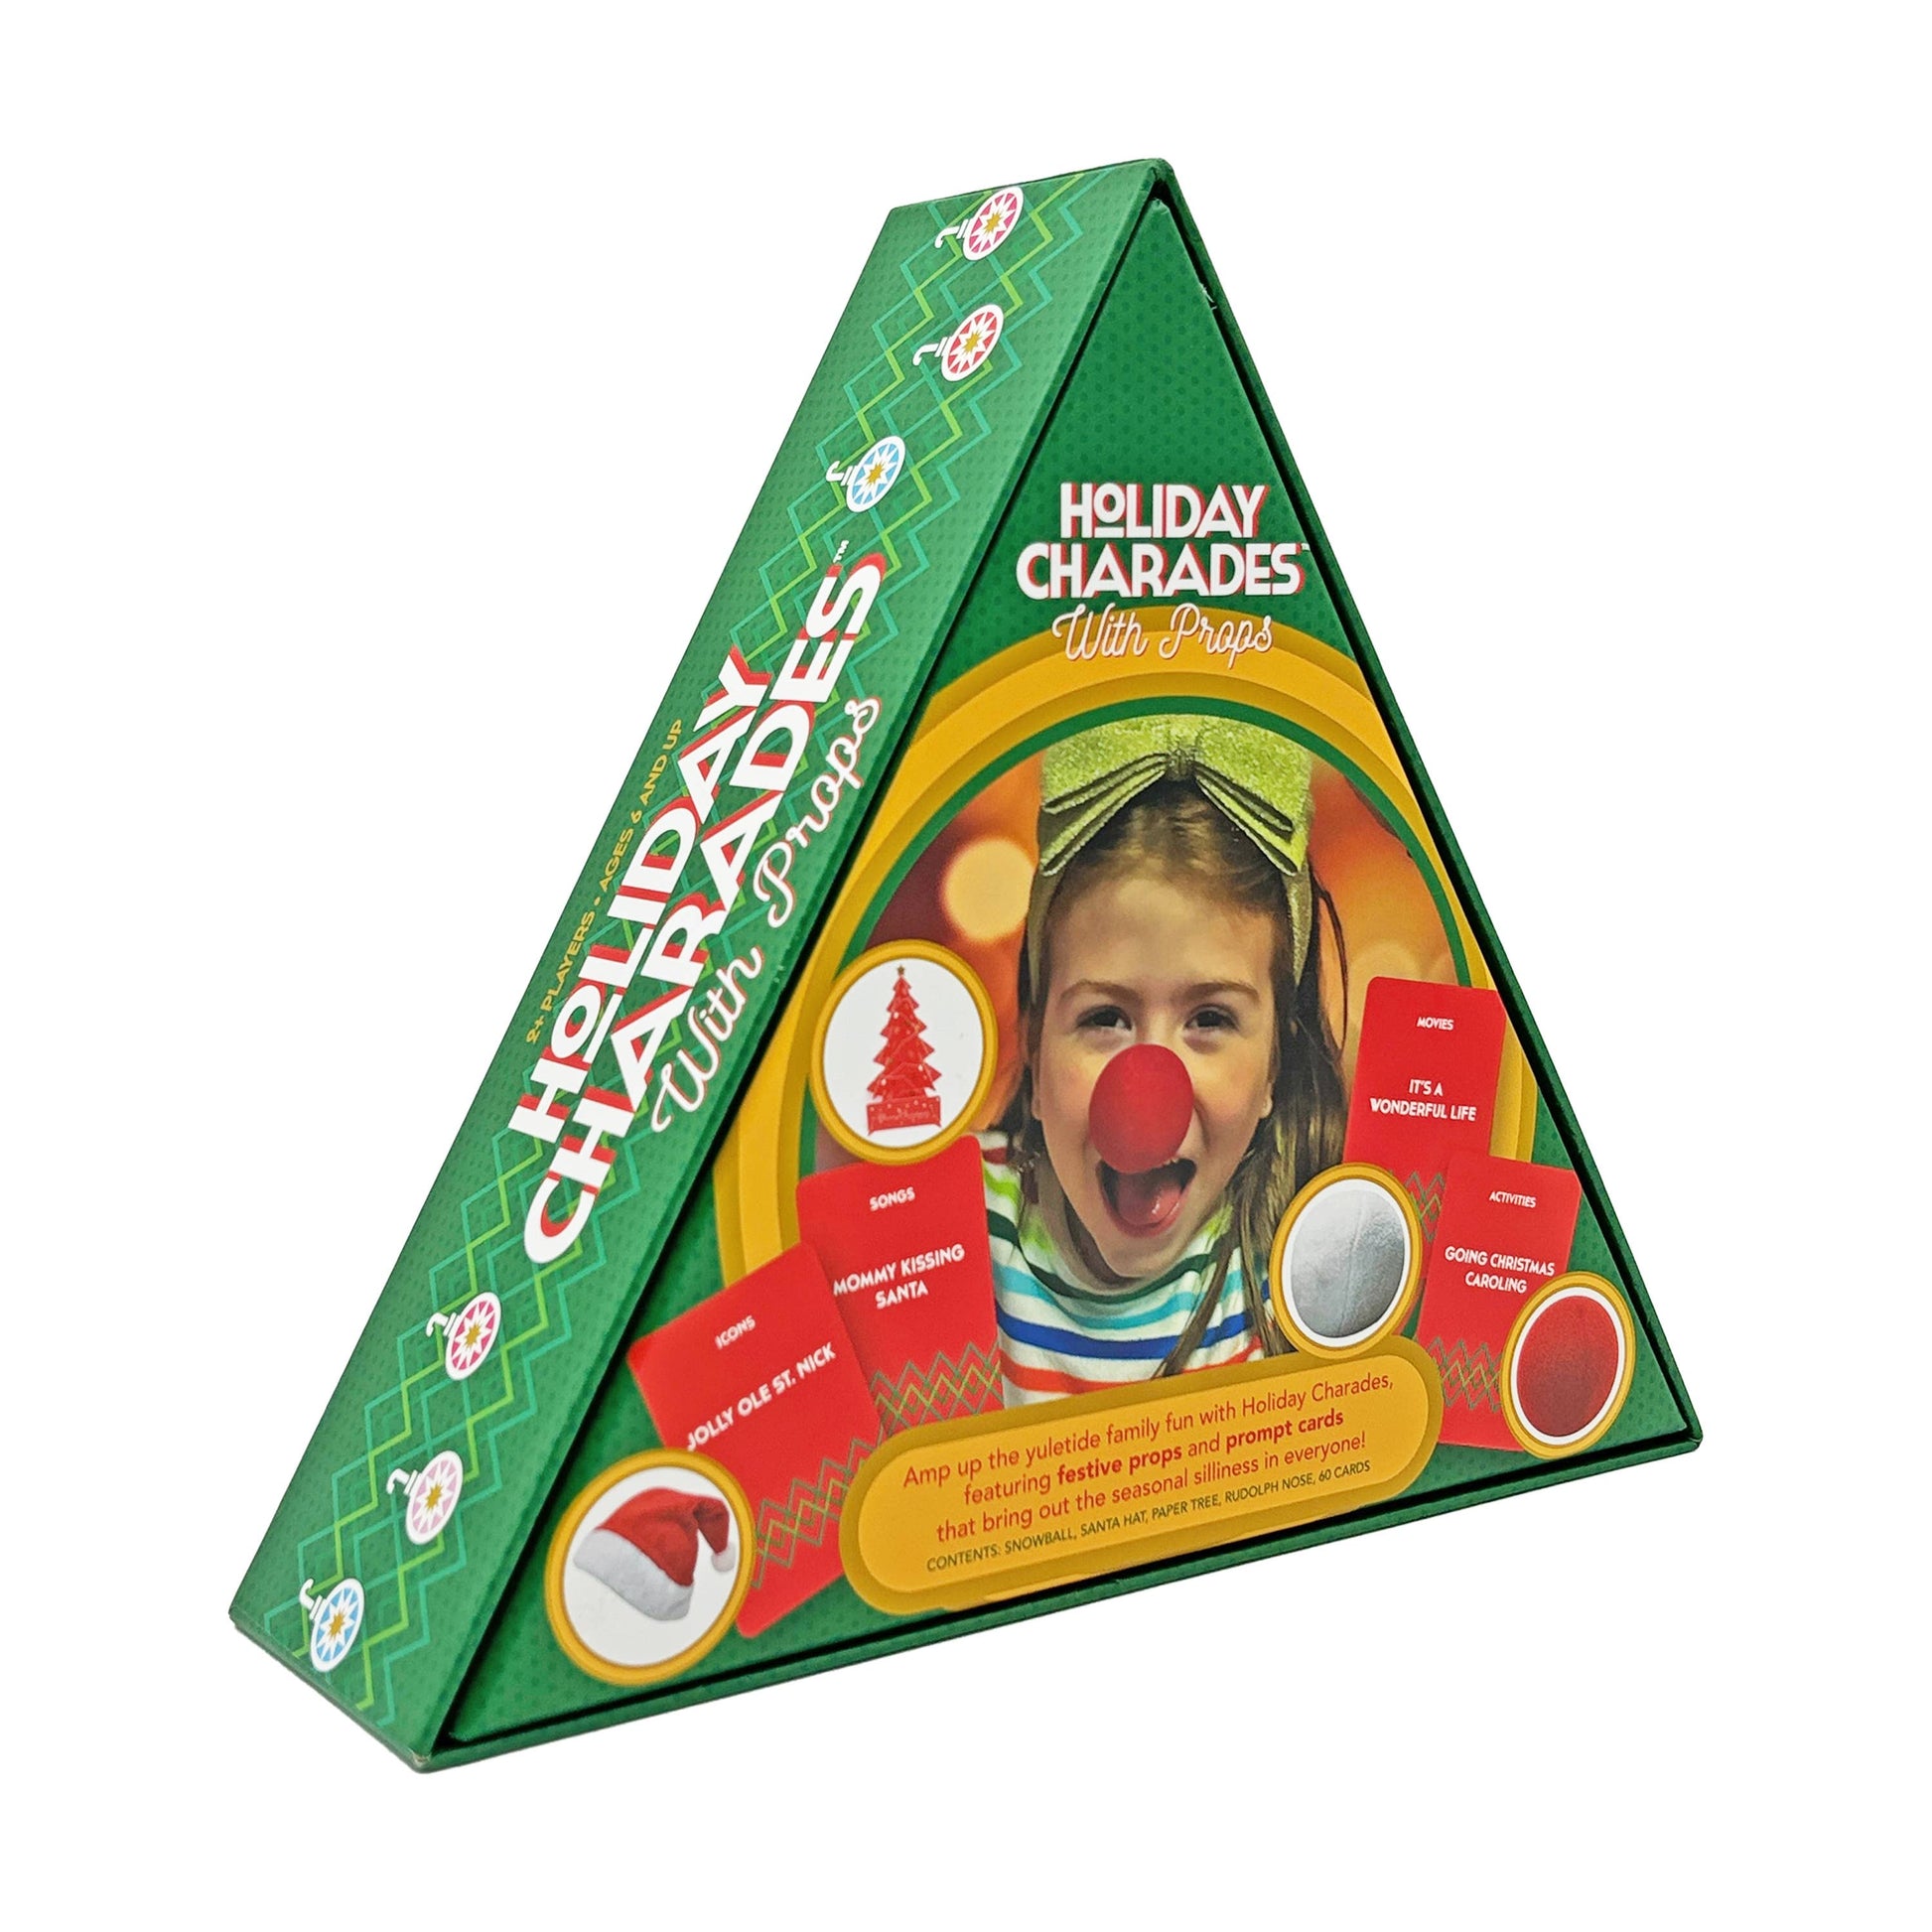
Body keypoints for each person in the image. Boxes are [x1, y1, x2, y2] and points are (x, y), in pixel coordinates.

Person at [983, 715, 1347, 1404]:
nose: (1148, 1093)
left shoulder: (1295, 1280)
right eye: (1104, 1018)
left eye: (1210, 1019)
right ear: (1034, 1052)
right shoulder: (943, 1228)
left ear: (1274, 1066)